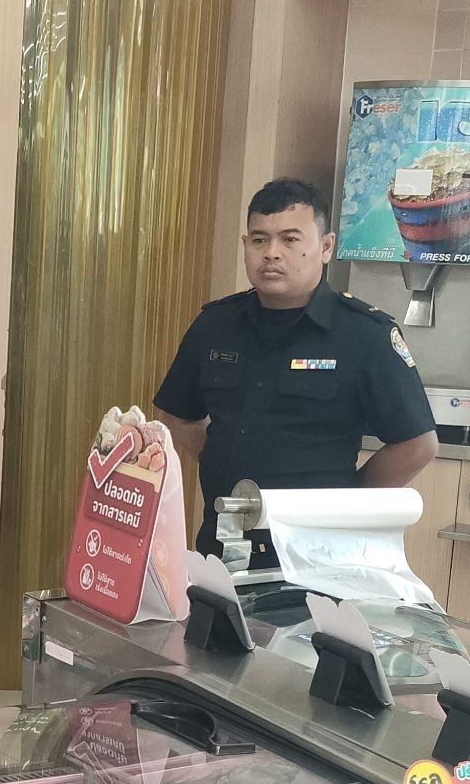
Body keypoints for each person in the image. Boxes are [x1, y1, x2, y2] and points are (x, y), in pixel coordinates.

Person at [153, 177, 438, 555]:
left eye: (289, 240)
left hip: (318, 554)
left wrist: (347, 500)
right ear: (245, 246)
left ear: (326, 247)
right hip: (223, 547)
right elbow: (179, 416)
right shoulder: (215, 325)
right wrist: (224, 463)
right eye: (259, 240)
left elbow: (417, 445)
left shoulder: (363, 334)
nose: (271, 253)